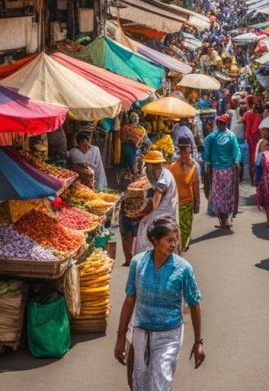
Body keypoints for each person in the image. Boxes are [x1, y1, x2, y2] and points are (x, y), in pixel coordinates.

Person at [115, 217, 204, 391]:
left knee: (159, 383)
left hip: (169, 336)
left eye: (175, 239)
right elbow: (129, 301)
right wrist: (120, 337)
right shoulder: (138, 263)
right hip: (141, 333)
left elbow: (194, 304)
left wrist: (198, 342)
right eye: (169, 240)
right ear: (155, 240)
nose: (174, 244)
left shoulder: (183, 268)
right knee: (139, 383)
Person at [133, 151, 180, 257]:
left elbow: (156, 201)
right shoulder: (162, 175)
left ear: (153, 167)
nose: (147, 170)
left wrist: (141, 213)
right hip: (164, 217)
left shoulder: (164, 179)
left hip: (163, 220)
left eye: (147, 166)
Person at [203, 114, 242, 228]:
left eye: (220, 123)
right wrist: (237, 160)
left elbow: (236, 151)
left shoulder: (213, 136)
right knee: (224, 195)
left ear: (224, 123)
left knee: (220, 195)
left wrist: (207, 161)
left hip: (221, 171)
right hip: (225, 171)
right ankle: (223, 219)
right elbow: (237, 151)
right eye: (219, 123)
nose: (219, 125)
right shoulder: (229, 136)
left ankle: (223, 219)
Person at [168, 138, 201, 253]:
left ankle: (181, 247)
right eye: (181, 150)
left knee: (186, 229)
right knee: (175, 229)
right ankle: (178, 249)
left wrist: (197, 203)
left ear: (189, 150)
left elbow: (196, 186)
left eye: (185, 150)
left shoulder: (193, 167)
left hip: (187, 204)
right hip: (175, 204)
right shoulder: (172, 167)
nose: (183, 153)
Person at [121, 112, 149, 181]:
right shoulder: (126, 128)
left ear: (139, 118)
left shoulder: (142, 129)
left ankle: (137, 182)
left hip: (139, 151)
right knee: (129, 167)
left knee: (138, 167)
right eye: (133, 117)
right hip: (129, 149)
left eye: (136, 116)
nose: (135, 118)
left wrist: (146, 145)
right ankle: (128, 183)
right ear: (130, 118)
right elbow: (122, 139)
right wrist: (131, 139)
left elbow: (146, 140)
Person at [242, 99, 263, 174]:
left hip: (249, 137)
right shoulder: (259, 116)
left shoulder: (247, 114)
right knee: (256, 155)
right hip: (256, 137)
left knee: (250, 156)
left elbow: (244, 123)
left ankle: (251, 177)